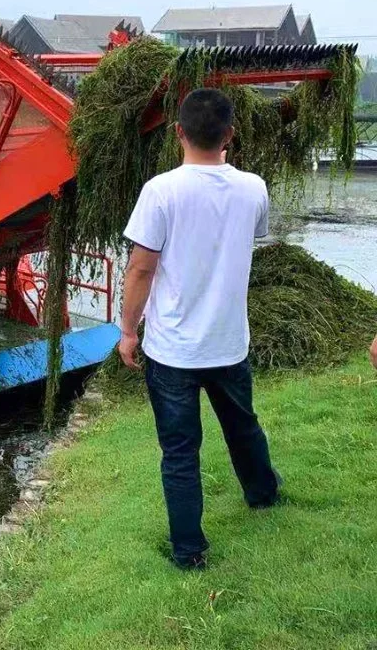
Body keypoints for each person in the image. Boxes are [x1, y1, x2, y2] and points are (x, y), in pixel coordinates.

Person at [119, 88, 280, 571]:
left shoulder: (161, 191)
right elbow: (246, 238)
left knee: (181, 451)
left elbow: (141, 269)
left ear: (178, 134)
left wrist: (129, 331)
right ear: (230, 134)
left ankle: (189, 551)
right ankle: (263, 496)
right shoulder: (254, 187)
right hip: (229, 342)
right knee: (242, 424)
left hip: (172, 350)